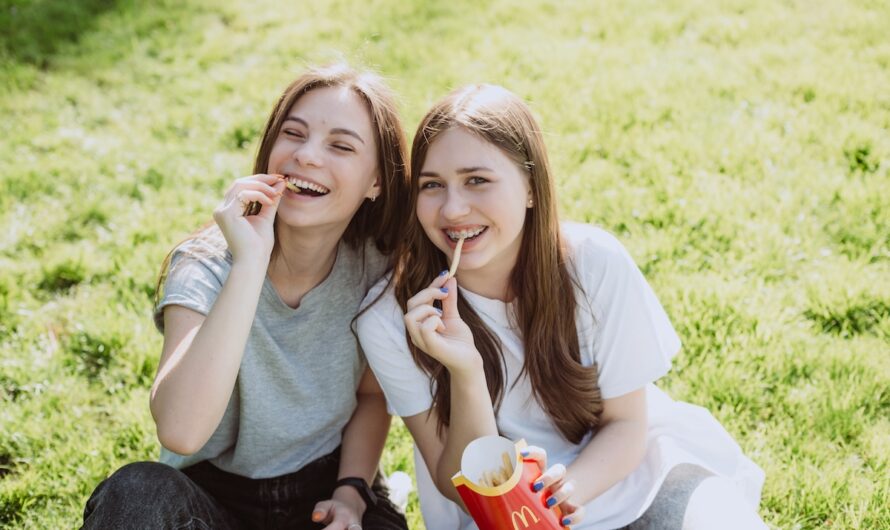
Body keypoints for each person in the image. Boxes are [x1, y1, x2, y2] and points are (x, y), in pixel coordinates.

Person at [355, 84, 767, 529]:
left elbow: (627, 425)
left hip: (635, 479)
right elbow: (456, 485)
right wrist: (466, 371)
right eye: (432, 185)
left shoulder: (594, 264)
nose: (453, 208)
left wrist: (563, 492)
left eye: (477, 180)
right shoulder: (390, 320)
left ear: (531, 187)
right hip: (503, 517)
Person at [82, 64, 411, 530]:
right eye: (293, 134)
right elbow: (180, 429)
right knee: (136, 494)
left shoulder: (375, 267)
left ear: (376, 182)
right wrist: (249, 264)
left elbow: (371, 396)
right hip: (213, 493)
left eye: (340, 145)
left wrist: (352, 492)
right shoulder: (204, 266)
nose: (308, 156)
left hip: (327, 486)